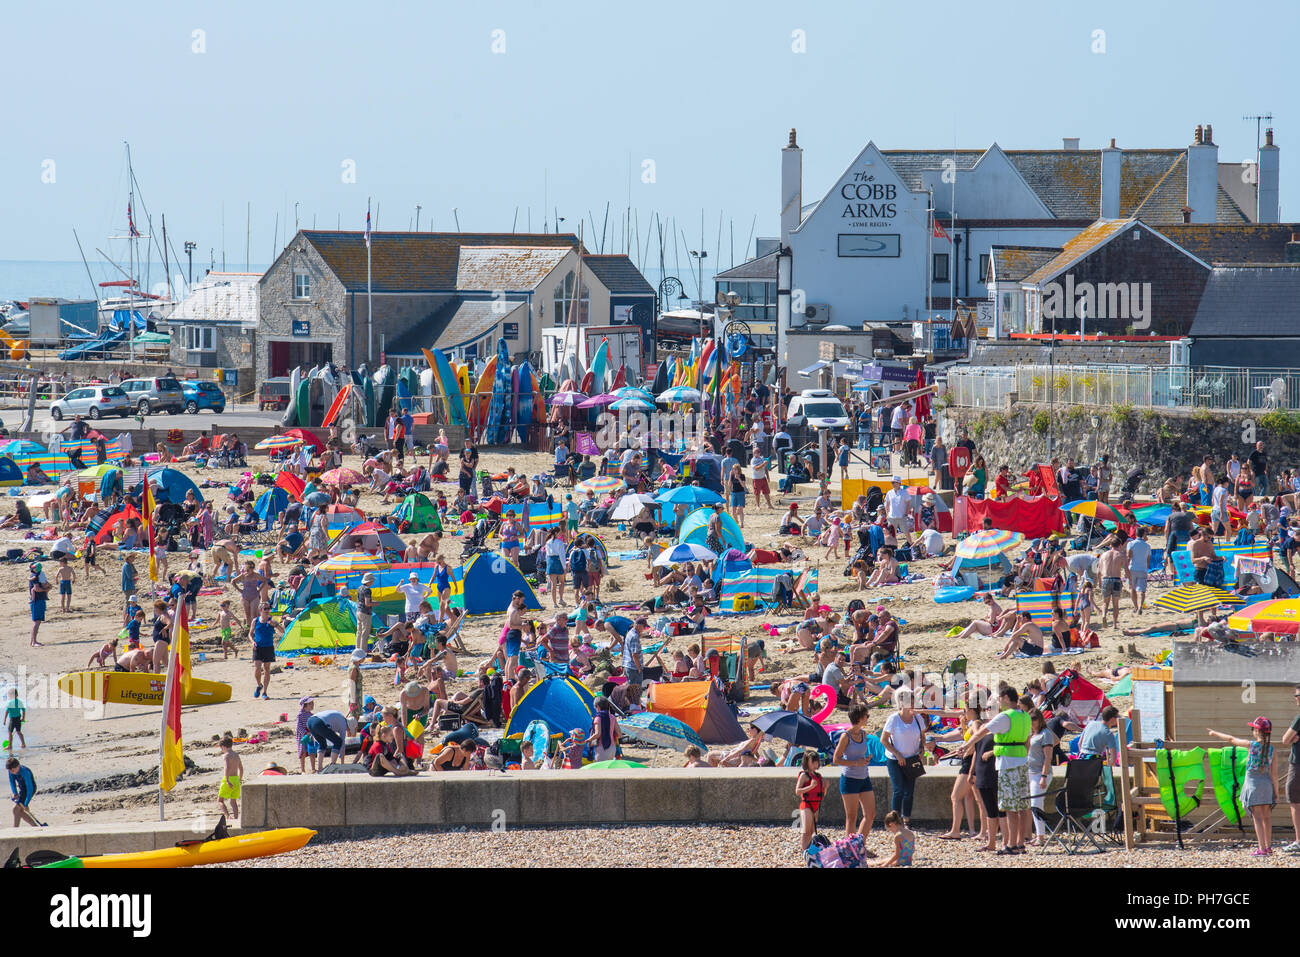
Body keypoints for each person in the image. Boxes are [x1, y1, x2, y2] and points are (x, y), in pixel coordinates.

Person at [957, 686, 1031, 855]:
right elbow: (1027, 742)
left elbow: (982, 732)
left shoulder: (1006, 716)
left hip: (1007, 764)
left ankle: (1011, 844)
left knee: (1009, 807)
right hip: (1021, 763)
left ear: (1006, 698)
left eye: (998, 700)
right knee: (1021, 805)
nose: (997, 703)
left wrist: (965, 745)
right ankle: (1020, 843)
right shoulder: (1025, 716)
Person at [1208, 717, 1277, 856]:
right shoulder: (1272, 749)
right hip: (1267, 784)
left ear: (1257, 731)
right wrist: (1275, 793)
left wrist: (1215, 733)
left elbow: (1231, 739)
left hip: (1253, 783)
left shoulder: (1251, 745)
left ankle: (1261, 848)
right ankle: (1268, 847)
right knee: (1267, 817)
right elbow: (1274, 774)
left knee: (1257, 817)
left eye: (1253, 728)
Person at [833, 704, 884, 841]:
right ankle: (850, 848)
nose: (868, 718)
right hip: (849, 779)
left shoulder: (863, 734)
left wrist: (865, 760)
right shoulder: (846, 736)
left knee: (870, 814)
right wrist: (856, 763)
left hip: (864, 777)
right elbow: (836, 759)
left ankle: (860, 844)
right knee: (852, 817)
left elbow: (859, 755)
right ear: (860, 718)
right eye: (866, 716)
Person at [880, 688, 927, 826]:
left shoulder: (918, 718)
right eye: (909, 702)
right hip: (895, 759)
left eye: (913, 702)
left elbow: (923, 737)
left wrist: (922, 747)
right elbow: (884, 740)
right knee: (898, 789)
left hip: (911, 758)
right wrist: (897, 754)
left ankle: (906, 818)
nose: (912, 705)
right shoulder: (894, 718)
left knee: (909, 791)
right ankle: (895, 820)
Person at [1026, 708, 1058, 846]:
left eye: (1034, 719)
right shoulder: (1031, 734)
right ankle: (1039, 834)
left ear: (1040, 719)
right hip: (1029, 772)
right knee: (1032, 805)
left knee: (1036, 805)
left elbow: (1048, 757)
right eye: (1030, 720)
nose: (1032, 722)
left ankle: (1041, 836)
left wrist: (1044, 776)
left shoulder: (1046, 734)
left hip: (1040, 773)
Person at [794, 749, 825, 852]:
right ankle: (804, 851)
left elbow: (822, 795)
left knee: (811, 830)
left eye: (817, 761)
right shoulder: (804, 775)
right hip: (807, 805)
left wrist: (826, 788)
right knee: (806, 830)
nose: (816, 764)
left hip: (816, 805)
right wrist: (811, 787)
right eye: (813, 761)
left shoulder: (818, 776)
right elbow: (798, 791)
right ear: (807, 762)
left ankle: (809, 850)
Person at [249, 603, 279, 699]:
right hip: (258, 647)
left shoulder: (271, 621)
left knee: (266, 669)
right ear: (260, 610)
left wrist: (276, 625)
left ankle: (265, 692)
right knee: (257, 667)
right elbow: (250, 634)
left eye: (268, 608)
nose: (267, 610)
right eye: (265, 608)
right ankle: (259, 685)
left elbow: (283, 631)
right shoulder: (255, 620)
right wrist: (252, 642)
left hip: (268, 647)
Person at [6, 757, 40, 827]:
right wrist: (15, 793)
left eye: (13, 770)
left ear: (18, 766)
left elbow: (29, 789)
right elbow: (12, 782)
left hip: (30, 789)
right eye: (10, 771)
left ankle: (15, 829)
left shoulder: (24, 772)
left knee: (16, 810)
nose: (11, 772)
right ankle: (34, 826)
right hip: (22, 789)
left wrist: (26, 803)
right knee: (19, 811)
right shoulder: (11, 770)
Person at [586, 696, 621, 762]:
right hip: (612, 748)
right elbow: (619, 734)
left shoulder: (598, 718)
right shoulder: (612, 717)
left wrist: (588, 740)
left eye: (595, 707)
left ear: (598, 706)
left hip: (602, 748)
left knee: (600, 769)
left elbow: (597, 734)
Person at [1125, 526, 1151, 614]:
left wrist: (1126, 569)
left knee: (1132, 588)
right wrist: (1146, 569)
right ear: (1143, 534)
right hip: (1142, 568)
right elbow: (1148, 560)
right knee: (1142, 590)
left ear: (1136, 534)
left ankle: (1135, 606)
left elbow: (1129, 557)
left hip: (1132, 568)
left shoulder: (1131, 544)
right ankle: (1140, 606)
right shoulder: (1147, 546)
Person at [217, 735, 243, 820]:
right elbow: (241, 768)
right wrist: (240, 779)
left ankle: (228, 816)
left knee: (220, 800)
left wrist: (227, 780)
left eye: (221, 748)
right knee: (233, 801)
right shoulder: (236, 755)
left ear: (223, 747)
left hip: (229, 779)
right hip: (236, 779)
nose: (222, 750)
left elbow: (227, 767)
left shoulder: (226, 755)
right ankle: (236, 818)